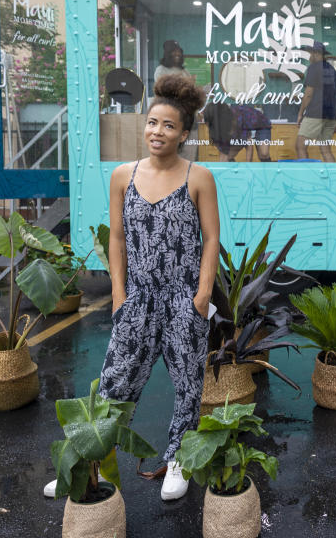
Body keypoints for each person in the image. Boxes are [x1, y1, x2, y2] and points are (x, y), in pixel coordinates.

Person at [44, 73, 219, 502]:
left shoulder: (199, 178)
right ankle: (83, 463)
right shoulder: (123, 175)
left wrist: (201, 298)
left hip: (182, 299)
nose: (157, 132)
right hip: (137, 299)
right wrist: (119, 295)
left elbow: (212, 239)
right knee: (115, 385)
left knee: (188, 385)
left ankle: (178, 459)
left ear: (184, 133)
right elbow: (117, 238)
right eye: (152, 123)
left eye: (169, 126)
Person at [295, 41, 336, 161]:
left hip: (315, 114)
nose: (308, 57)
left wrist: (300, 114)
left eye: (309, 54)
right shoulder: (333, 71)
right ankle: (333, 177)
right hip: (331, 116)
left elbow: (308, 95)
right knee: (325, 149)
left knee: (300, 145)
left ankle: (306, 177)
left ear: (315, 54)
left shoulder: (314, 68)